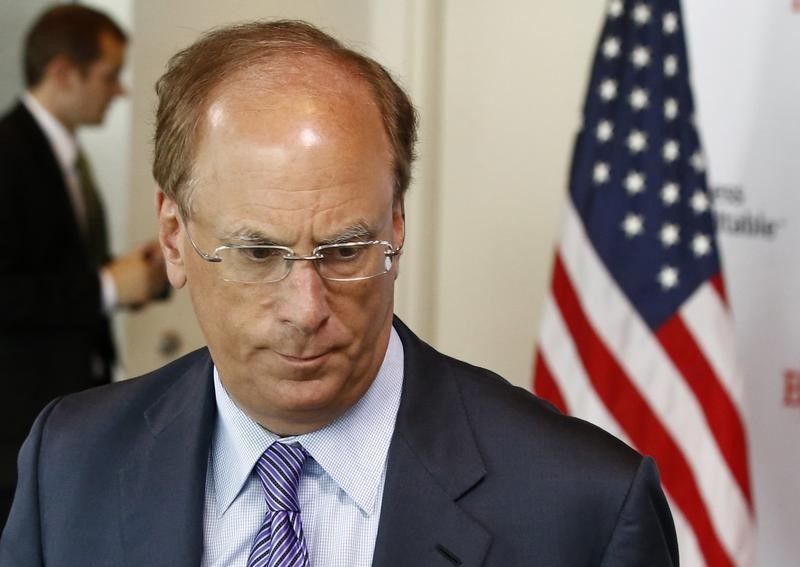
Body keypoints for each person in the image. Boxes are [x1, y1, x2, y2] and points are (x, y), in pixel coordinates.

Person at [0, 20, 679, 566]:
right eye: (258, 252)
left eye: (346, 249)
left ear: (397, 225)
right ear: (174, 240)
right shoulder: (69, 465)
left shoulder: (585, 507)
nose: (306, 308)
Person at [0, 5, 167, 527]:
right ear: (63, 72)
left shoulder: (65, 153)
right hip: (16, 427)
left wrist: (130, 277)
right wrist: (105, 289)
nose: (119, 90)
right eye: (109, 74)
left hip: (63, 409)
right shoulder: (7, 153)